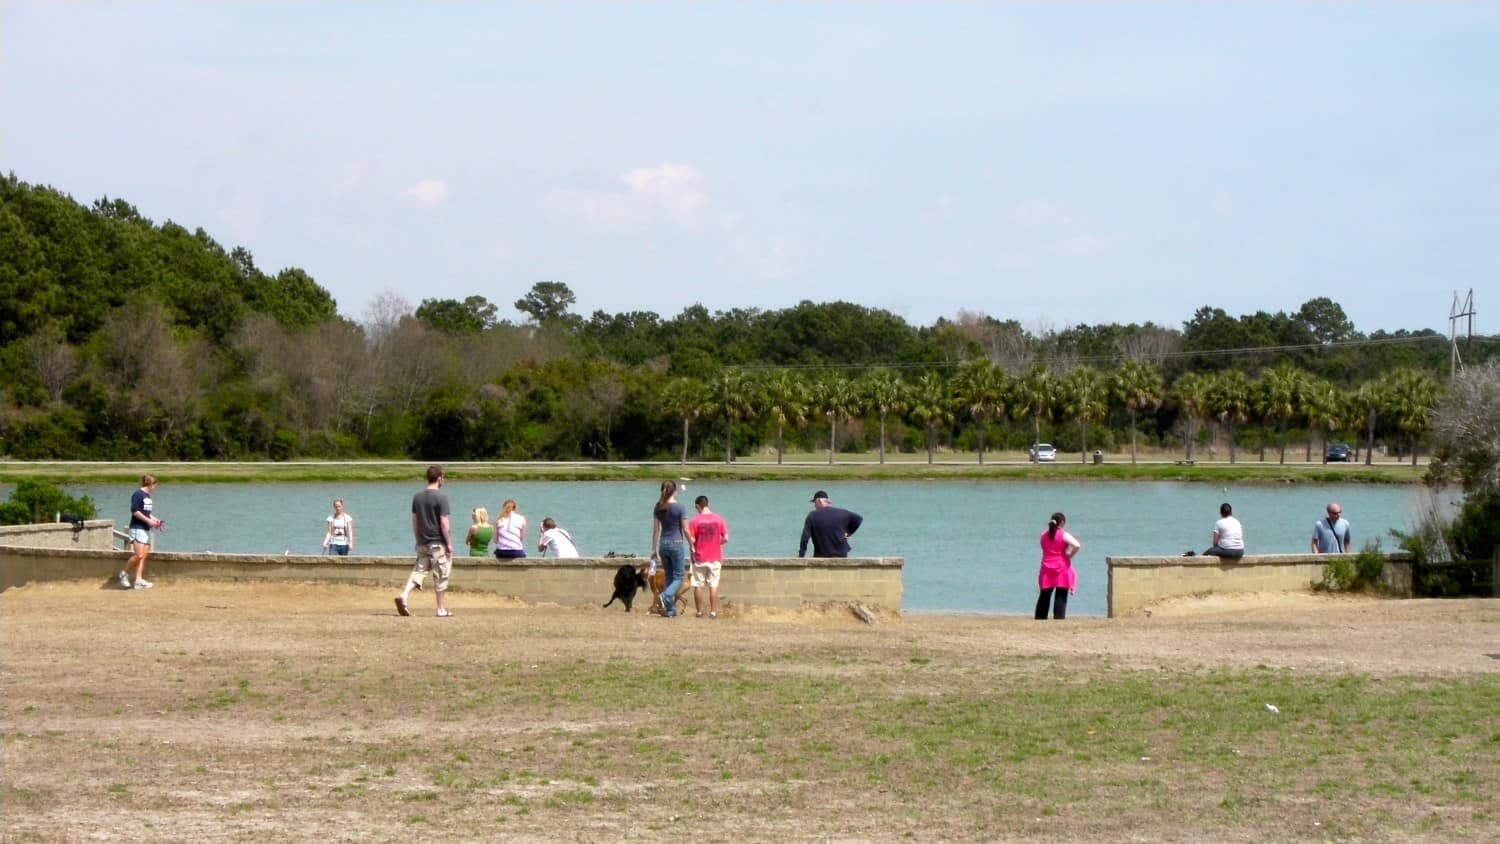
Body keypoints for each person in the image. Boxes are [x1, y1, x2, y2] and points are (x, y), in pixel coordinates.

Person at [396, 465, 454, 618]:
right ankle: (441, 609)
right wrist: (448, 543)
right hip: (437, 543)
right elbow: (444, 522)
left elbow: (415, 521)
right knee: (441, 575)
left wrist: (418, 540)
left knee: (419, 572)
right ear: (440, 477)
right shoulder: (442, 497)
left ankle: (404, 595)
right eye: (443, 477)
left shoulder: (417, 497)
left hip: (422, 542)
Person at [650, 479, 694, 618]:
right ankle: (665, 596)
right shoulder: (680, 507)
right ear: (675, 491)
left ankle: (670, 610)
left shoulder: (658, 507)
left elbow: (656, 530)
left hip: (663, 544)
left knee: (669, 576)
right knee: (679, 577)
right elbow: (686, 529)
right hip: (676, 543)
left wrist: (653, 549)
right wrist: (692, 545)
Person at [119, 474, 163, 590]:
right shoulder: (138, 494)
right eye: (155, 485)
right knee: (138, 555)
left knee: (143, 556)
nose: (155, 487)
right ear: (151, 484)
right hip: (137, 528)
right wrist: (148, 521)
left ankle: (138, 580)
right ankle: (124, 573)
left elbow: (146, 512)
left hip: (146, 528)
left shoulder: (147, 496)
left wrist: (154, 520)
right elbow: (135, 511)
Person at [688, 494, 729, 619]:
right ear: (708, 504)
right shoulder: (719, 519)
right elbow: (726, 538)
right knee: (713, 585)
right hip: (715, 557)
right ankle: (713, 612)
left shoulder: (694, 521)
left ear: (697, 506)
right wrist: (717, 543)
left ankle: (699, 611)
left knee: (698, 584)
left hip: (700, 557)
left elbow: (692, 539)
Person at [1035, 512, 1080, 620]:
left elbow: (1044, 547)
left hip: (1046, 567)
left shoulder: (1043, 535)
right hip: (1062, 566)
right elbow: (1077, 545)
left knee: (1044, 594)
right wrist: (1069, 555)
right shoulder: (1064, 535)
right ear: (1062, 523)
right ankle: (1059, 618)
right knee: (1061, 594)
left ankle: (1040, 617)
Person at [798, 490, 863, 558]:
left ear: (819, 501)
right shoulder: (842, 513)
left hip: (822, 555)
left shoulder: (812, 515)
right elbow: (858, 519)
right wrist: (849, 532)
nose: (814, 505)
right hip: (841, 555)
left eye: (814, 502)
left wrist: (801, 555)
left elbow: (805, 537)